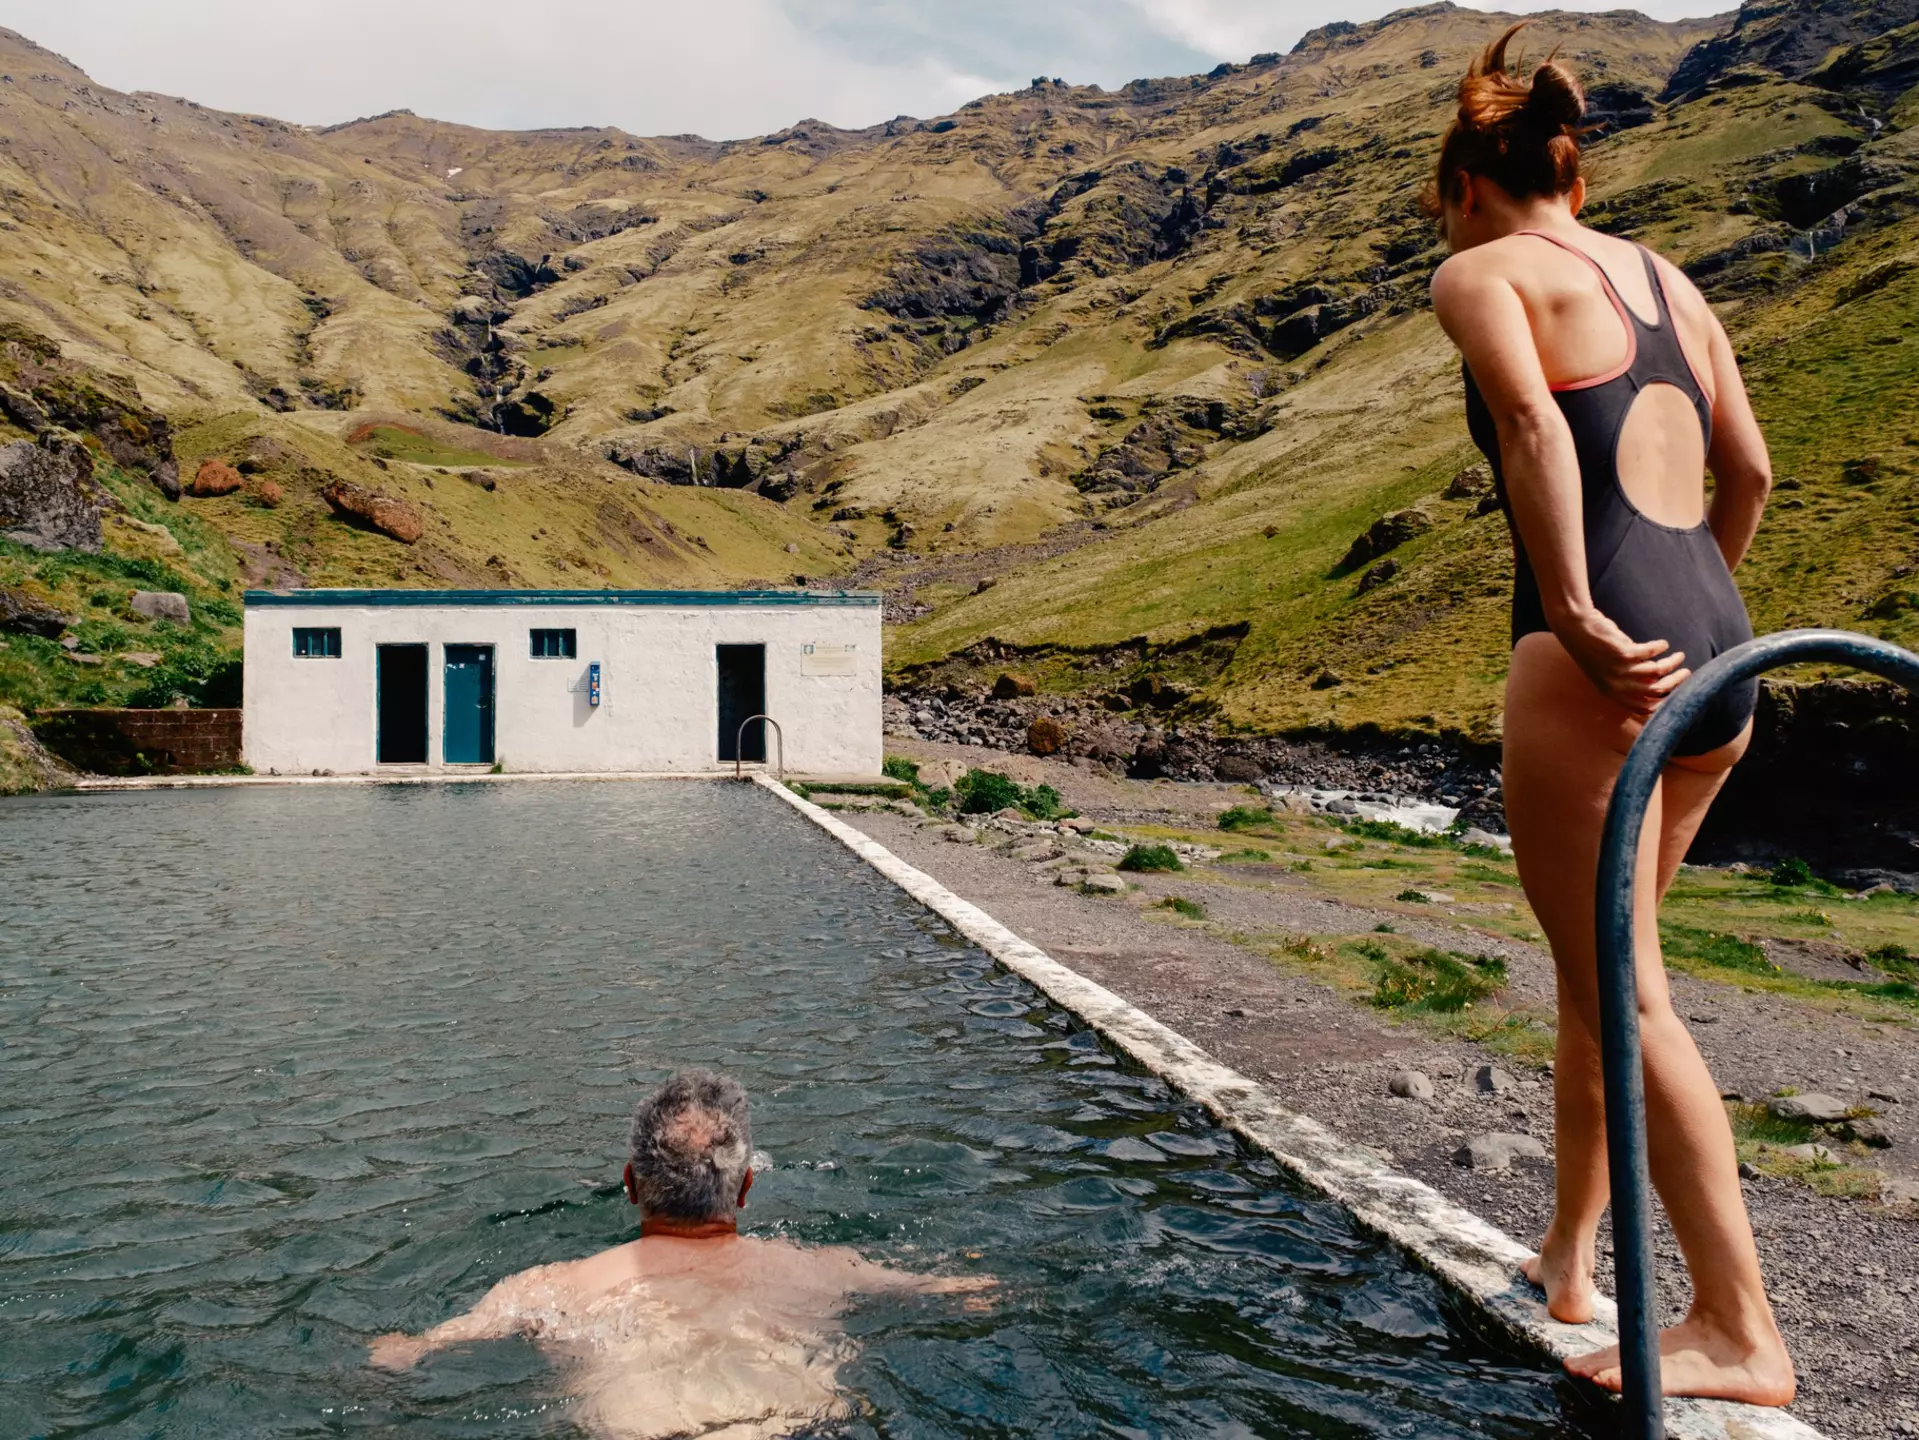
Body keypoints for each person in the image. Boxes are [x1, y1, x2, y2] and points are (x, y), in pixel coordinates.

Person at [1426, 24, 1793, 1407]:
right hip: (1719, 656)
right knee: (1599, 979)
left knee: (1623, 990)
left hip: (1593, 661)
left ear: (1467, 184)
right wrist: (1698, 625)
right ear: (1569, 178)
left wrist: (1583, 617)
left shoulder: (1477, 273)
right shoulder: (1665, 279)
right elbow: (1746, 471)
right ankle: (1569, 1263)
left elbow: (1527, 429)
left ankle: (1736, 1325)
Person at [370, 1069, 990, 1438]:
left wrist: (400, 1347)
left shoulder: (550, 1287)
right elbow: (963, 1291)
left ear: (631, 1183)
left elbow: (407, 1354)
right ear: (746, 1187)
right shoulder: (823, 1267)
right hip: (802, 1423)